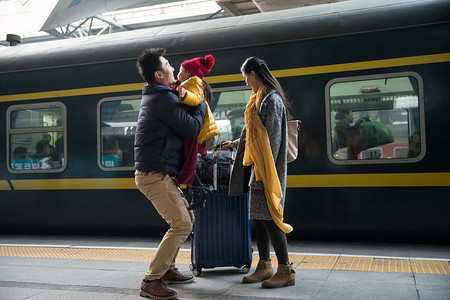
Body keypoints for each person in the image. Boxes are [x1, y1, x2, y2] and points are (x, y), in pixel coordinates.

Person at [134, 48, 206, 300]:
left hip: (160, 172)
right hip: (154, 174)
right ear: (159, 74)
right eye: (168, 65)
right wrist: (201, 103)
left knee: (186, 219)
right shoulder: (162, 98)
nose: (173, 68)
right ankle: (151, 280)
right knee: (182, 223)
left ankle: (167, 269)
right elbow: (191, 128)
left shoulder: (161, 95)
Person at [222, 56, 295, 288]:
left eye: (245, 77)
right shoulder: (259, 99)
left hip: (267, 171)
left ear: (253, 73)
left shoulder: (270, 100)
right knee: (260, 218)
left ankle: (286, 270)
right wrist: (236, 143)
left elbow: (270, 144)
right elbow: (253, 134)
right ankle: (264, 265)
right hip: (259, 168)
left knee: (271, 219)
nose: (245, 83)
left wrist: (260, 178)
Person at [175, 55, 220, 188]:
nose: (177, 73)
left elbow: (194, 98)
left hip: (194, 134)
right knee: (188, 159)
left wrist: (185, 95)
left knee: (188, 159)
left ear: (188, 73)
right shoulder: (186, 84)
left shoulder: (194, 83)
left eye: (180, 70)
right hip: (195, 132)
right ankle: (197, 189)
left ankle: (199, 189)